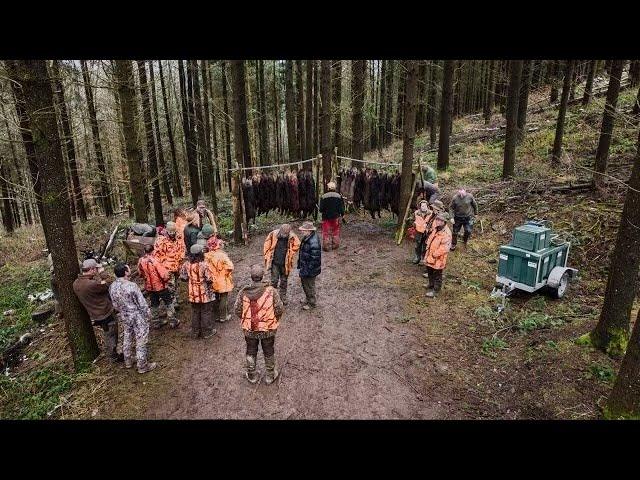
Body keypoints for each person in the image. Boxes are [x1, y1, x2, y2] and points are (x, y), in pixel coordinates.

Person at [234, 264, 284, 385]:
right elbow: (279, 308)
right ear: (262, 276)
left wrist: (247, 320)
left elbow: (237, 309)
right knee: (268, 350)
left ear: (251, 277)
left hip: (249, 329)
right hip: (268, 329)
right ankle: (270, 375)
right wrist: (273, 320)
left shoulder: (243, 292)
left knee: (251, 350)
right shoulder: (271, 291)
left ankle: (252, 375)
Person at [109, 263, 157, 373]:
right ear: (126, 272)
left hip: (124, 315)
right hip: (136, 315)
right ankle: (142, 365)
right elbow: (142, 303)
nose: (130, 269)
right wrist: (148, 314)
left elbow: (115, 305)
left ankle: (128, 361)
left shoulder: (112, 286)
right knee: (141, 338)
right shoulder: (131, 286)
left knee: (127, 336)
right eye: (128, 269)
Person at [72, 259, 122, 363]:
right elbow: (109, 283)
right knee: (111, 334)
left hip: (95, 314)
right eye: (96, 269)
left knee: (108, 333)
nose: (97, 270)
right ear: (92, 269)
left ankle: (112, 354)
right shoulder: (92, 284)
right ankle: (113, 356)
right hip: (105, 313)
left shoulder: (76, 283)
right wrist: (102, 273)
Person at [180, 244, 217, 339]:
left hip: (193, 293)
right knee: (206, 312)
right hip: (205, 293)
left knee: (195, 312)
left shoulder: (186, 264)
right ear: (200, 254)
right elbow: (209, 279)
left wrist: (191, 279)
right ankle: (207, 332)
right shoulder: (204, 265)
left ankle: (195, 332)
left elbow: (183, 278)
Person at [138, 244, 176, 328]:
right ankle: (172, 320)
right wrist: (167, 280)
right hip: (160, 286)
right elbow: (164, 275)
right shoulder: (155, 261)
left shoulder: (141, 260)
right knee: (168, 302)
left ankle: (156, 322)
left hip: (149, 287)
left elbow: (141, 273)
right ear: (153, 251)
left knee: (154, 304)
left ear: (144, 251)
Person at [263, 223, 301, 306]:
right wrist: (267, 255)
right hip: (275, 263)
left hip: (285, 264)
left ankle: (283, 297)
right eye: (284, 233)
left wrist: (291, 252)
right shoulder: (273, 234)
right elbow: (266, 245)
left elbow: (297, 244)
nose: (285, 235)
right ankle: (272, 298)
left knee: (284, 281)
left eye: (286, 233)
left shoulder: (292, 236)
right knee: (274, 281)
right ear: (280, 230)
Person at [153, 221, 185, 309]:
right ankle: (173, 302)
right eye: (170, 232)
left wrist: (181, 258)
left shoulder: (178, 237)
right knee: (170, 286)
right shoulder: (160, 240)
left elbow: (182, 248)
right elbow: (157, 255)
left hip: (177, 265)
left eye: (173, 232)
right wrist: (164, 265)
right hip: (167, 268)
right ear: (167, 231)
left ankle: (176, 299)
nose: (172, 234)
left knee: (177, 284)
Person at [204, 236, 234, 323]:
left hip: (212, 280)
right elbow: (230, 266)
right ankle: (223, 316)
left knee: (215, 297)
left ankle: (216, 315)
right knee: (223, 298)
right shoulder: (222, 255)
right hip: (222, 280)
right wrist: (225, 273)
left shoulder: (206, 256)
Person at [423, 213, 452, 298]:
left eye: (440, 220)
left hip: (439, 258)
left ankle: (436, 290)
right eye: (437, 219)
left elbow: (445, 248)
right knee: (429, 270)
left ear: (444, 221)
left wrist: (434, 254)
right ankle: (431, 284)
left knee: (437, 274)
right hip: (430, 254)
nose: (438, 221)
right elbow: (431, 239)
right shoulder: (436, 228)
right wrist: (428, 250)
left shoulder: (447, 233)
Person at [297, 221, 321, 310]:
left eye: (304, 230)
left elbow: (315, 258)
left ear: (309, 231)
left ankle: (312, 303)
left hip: (310, 269)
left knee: (309, 286)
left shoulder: (313, 242)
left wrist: (308, 269)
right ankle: (307, 299)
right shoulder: (307, 238)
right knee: (305, 284)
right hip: (305, 267)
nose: (302, 231)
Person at [319, 181, 345, 251]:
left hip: (326, 217)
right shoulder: (339, 196)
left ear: (328, 188)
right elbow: (341, 208)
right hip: (335, 217)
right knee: (336, 231)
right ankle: (335, 245)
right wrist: (342, 215)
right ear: (335, 188)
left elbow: (321, 209)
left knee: (326, 232)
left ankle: (326, 247)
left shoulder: (323, 196)